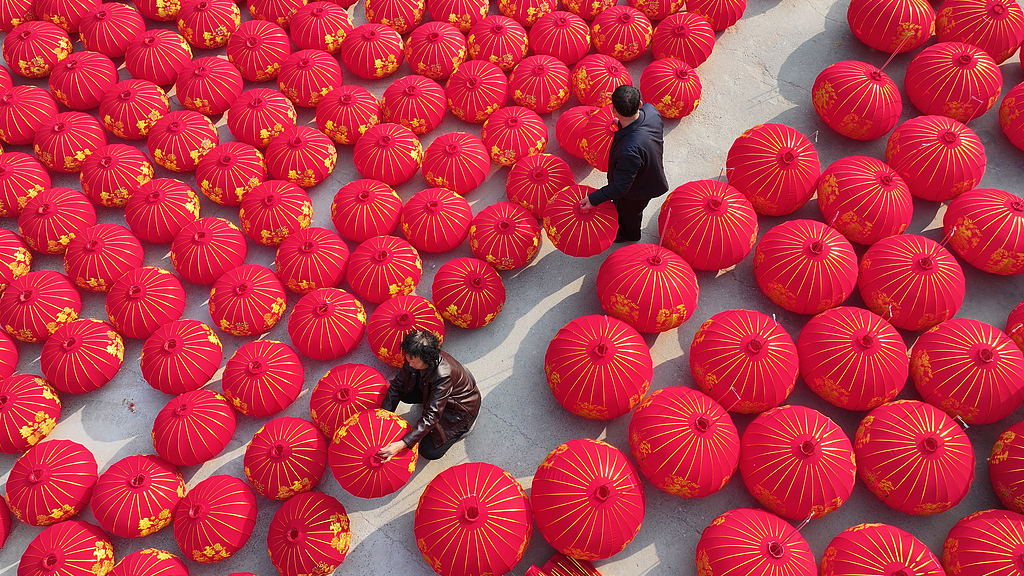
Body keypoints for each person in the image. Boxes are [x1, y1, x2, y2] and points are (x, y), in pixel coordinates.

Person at [579, 85, 669, 243]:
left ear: (614, 110)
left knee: (630, 214)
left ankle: (630, 235)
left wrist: (593, 199)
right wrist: (622, 124)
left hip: (638, 190)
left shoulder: (628, 150)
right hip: (650, 169)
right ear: (640, 104)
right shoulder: (652, 112)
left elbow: (621, 187)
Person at [376, 330, 481, 462]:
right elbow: (397, 385)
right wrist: (382, 417)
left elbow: (431, 415)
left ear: (427, 359)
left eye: (414, 362)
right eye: (408, 359)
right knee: (404, 392)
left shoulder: (443, 375)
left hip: (459, 408)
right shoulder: (414, 356)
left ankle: (466, 426)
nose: (410, 364)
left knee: (429, 451)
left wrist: (402, 443)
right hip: (436, 393)